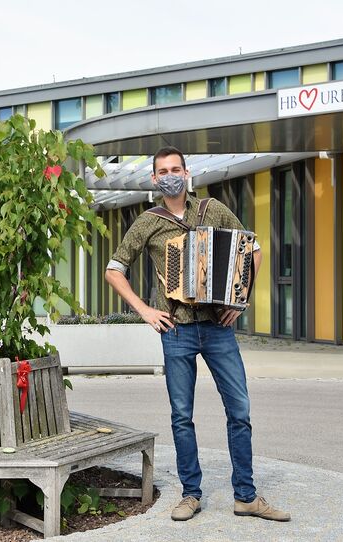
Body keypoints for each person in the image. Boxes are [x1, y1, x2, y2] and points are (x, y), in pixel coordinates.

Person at [104, 146, 290, 523]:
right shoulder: (147, 222)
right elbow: (113, 269)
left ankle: (246, 496)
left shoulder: (213, 210)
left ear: (186, 174)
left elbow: (252, 249)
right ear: (155, 179)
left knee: (240, 411)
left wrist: (239, 300)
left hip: (217, 328)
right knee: (182, 416)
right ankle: (191, 494)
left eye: (176, 169)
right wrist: (144, 310)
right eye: (163, 171)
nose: (170, 175)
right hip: (176, 330)